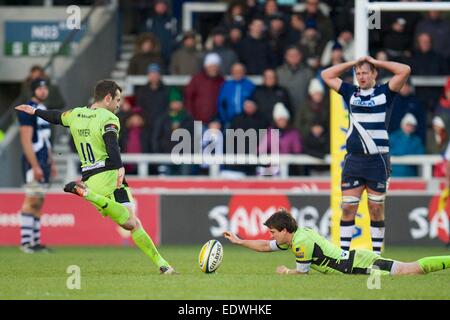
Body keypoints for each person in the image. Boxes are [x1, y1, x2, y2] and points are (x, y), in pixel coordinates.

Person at [15, 80, 176, 274]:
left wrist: (36, 112)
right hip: (108, 175)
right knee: (131, 223)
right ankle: (87, 194)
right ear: (107, 98)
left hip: (91, 178)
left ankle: (163, 265)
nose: (118, 104)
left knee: (134, 222)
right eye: (117, 100)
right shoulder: (108, 118)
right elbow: (111, 142)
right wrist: (119, 167)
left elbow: (56, 117)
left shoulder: (76, 114)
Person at [321, 55, 411, 255]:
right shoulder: (350, 92)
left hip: (377, 160)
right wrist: (352, 63)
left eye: (365, 72)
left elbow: (404, 70)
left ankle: (376, 256)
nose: (361, 76)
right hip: (354, 160)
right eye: (358, 73)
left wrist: (376, 62)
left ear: (374, 74)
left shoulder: (385, 92)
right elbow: (326, 75)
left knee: (375, 208)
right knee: (347, 208)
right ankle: (344, 255)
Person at [224, 210, 450, 276]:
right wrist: (240, 241)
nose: (271, 236)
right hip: (354, 263)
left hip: (358, 265)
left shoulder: (301, 242)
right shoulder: (294, 237)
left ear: (284, 230)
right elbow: (265, 246)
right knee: (410, 270)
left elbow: (302, 273)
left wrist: (286, 272)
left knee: (412, 270)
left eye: (273, 232)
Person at [16, 78, 56, 253]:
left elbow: (45, 140)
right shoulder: (27, 110)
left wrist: (51, 162)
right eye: (40, 88)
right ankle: (26, 243)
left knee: (39, 201)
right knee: (31, 199)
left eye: (45, 87)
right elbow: (26, 140)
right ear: (33, 90)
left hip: (43, 161)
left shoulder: (43, 110)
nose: (43, 91)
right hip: (34, 162)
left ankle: (35, 241)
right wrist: (35, 165)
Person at [184, 52, 225, 123]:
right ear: (206, 66)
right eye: (211, 66)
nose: (213, 69)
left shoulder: (221, 81)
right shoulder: (197, 79)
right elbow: (188, 97)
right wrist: (191, 115)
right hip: (198, 119)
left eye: (215, 66)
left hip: (215, 122)